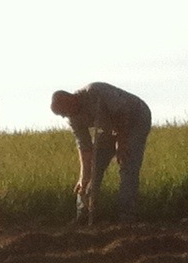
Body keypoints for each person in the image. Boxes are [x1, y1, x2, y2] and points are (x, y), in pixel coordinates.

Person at [50, 82, 153, 224]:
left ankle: (127, 216)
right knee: (95, 168)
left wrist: (121, 142)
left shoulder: (95, 91)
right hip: (108, 127)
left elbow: (122, 112)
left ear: (69, 100)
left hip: (135, 118)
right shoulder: (73, 119)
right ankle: (83, 214)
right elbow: (85, 148)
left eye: (63, 112)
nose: (64, 117)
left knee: (127, 164)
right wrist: (84, 177)